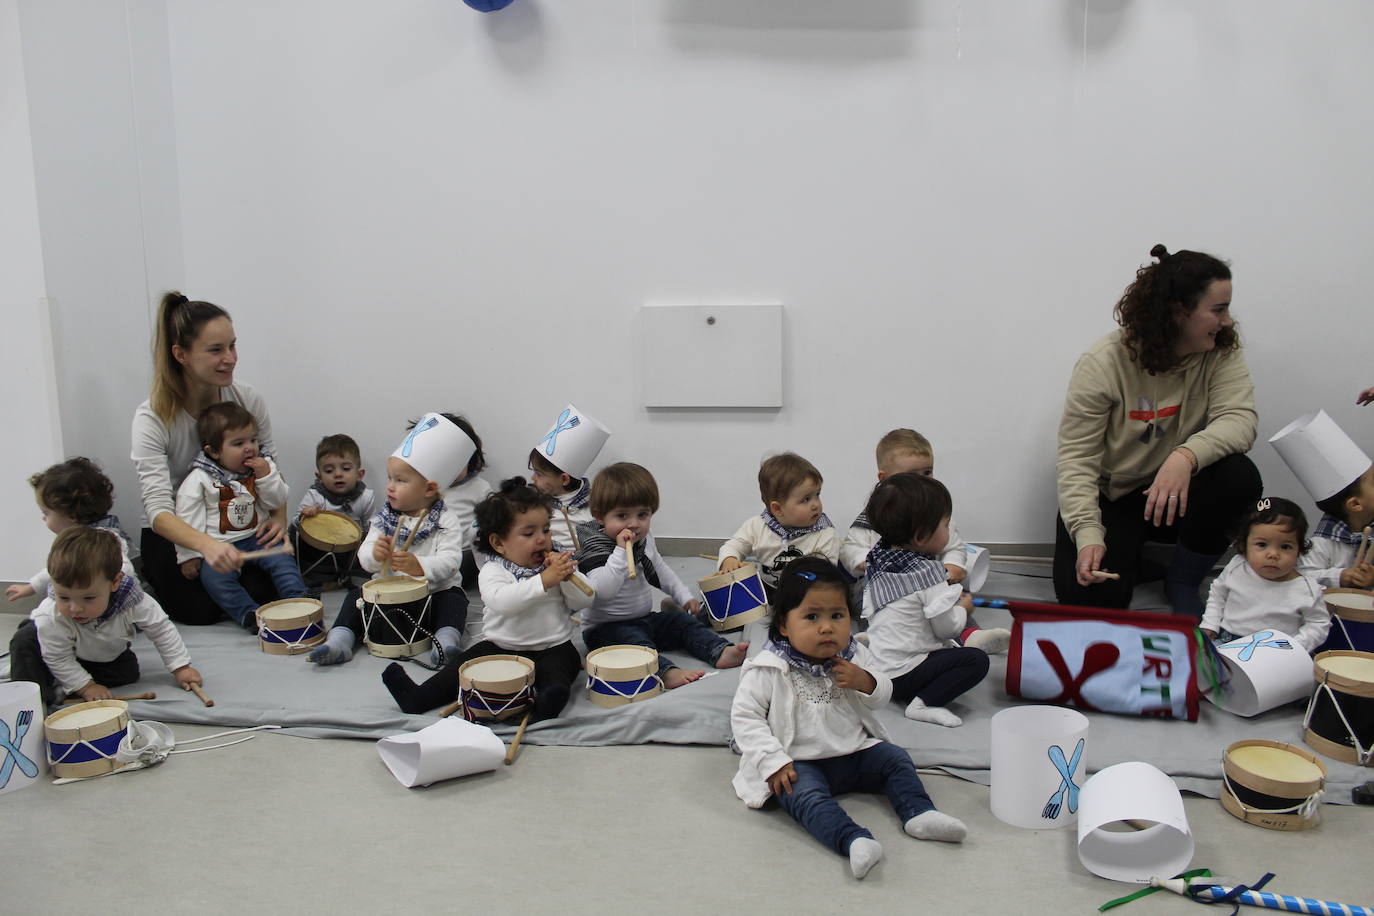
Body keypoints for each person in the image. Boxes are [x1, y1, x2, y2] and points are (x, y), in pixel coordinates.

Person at [730, 556, 967, 881]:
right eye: (811, 617)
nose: (827, 627)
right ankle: (853, 839)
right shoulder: (769, 667)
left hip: (855, 751)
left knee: (895, 759)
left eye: (837, 615)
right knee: (801, 797)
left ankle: (919, 813)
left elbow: (883, 694)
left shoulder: (855, 656)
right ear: (784, 624)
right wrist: (772, 761)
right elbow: (746, 717)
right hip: (798, 761)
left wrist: (866, 681)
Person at [1054, 244, 1261, 614]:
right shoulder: (1102, 363)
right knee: (1088, 598)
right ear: (1179, 312)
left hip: (1175, 495)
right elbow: (1076, 462)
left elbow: (1240, 420)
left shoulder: (1222, 350)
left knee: (1238, 477)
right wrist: (1088, 536)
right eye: (1218, 310)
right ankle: (1128, 559)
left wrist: (1185, 456)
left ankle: (1181, 578)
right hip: (1114, 498)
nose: (1227, 321)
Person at [131, 291, 285, 625]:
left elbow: (270, 463)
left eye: (232, 346)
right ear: (180, 354)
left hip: (239, 520)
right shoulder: (152, 418)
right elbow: (157, 510)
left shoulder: (247, 399)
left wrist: (280, 517)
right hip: (179, 532)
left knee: (268, 589)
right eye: (216, 350)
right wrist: (205, 547)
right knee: (198, 612)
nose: (230, 358)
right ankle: (154, 572)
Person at [382, 477, 590, 721]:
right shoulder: (493, 570)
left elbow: (585, 600)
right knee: (461, 666)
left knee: (561, 670)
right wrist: (544, 581)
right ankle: (418, 697)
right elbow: (503, 602)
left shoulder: (552, 568)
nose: (542, 539)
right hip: (501, 645)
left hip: (553, 645)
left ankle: (546, 705)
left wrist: (568, 578)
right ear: (498, 543)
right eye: (528, 533)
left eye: (545, 529)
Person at [309, 413, 475, 667]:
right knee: (356, 596)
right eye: (389, 478)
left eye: (400, 480)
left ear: (429, 489)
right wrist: (375, 555)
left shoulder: (445, 520)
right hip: (388, 598)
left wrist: (419, 566)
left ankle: (446, 640)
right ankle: (340, 640)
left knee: (454, 598)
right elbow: (364, 558)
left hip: (433, 593)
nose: (390, 486)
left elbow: (452, 561)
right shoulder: (384, 518)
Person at [575, 462, 748, 689]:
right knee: (636, 646)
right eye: (622, 515)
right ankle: (666, 673)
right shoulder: (595, 546)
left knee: (681, 622)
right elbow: (603, 591)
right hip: (605, 630)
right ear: (599, 516)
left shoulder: (643, 541)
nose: (634, 524)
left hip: (644, 618)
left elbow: (661, 571)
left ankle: (720, 651)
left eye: (642, 514)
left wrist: (684, 597)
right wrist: (619, 552)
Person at [839, 428, 1009, 654]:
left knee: (950, 598)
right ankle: (876, 638)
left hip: (928, 584)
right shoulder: (875, 515)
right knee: (867, 598)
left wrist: (954, 564)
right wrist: (863, 561)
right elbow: (850, 547)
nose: (921, 482)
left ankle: (971, 636)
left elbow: (954, 544)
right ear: (884, 478)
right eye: (911, 475)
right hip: (886, 584)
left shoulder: (936, 513)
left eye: (927, 473)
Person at [8, 527, 202, 709]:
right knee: (24, 643)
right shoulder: (51, 614)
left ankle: (67, 679)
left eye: (88, 598)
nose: (75, 608)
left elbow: (161, 630)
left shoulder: (134, 600)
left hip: (96, 650)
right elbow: (56, 655)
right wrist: (86, 687)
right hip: (48, 645)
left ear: (114, 583)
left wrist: (180, 667)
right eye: (64, 597)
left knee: (127, 674)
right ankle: (36, 699)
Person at [861, 474, 991, 726]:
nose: (948, 530)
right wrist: (963, 609)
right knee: (975, 660)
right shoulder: (928, 575)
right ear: (921, 536)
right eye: (945, 526)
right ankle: (923, 703)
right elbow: (947, 628)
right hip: (907, 674)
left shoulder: (878, 559)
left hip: (881, 671)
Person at [175, 402, 305, 631]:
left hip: (258, 536)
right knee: (215, 580)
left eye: (253, 440)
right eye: (238, 443)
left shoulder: (262, 468)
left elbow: (277, 500)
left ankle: (298, 600)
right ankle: (248, 614)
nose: (250, 448)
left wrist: (265, 476)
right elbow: (187, 517)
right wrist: (189, 555)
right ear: (213, 451)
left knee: (283, 560)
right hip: (220, 545)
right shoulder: (201, 478)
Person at [1200, 498, 1328, 652]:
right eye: (1262, 545)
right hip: (1226, 640)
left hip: (1275, 652)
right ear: (1243, 545)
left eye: (1285, 546)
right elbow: (1218, 593)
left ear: (1299, 550)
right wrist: (1210, 623)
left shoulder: (1307, 589)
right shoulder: (1238, 566)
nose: (1273, 554)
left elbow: (1319, 623)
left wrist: (1295, 647)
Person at [6, 457, 134, 603]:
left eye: (46, 513)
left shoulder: (102, 539)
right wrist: (32, 587)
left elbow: (125, 568)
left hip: (108, 607)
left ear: (72, 514)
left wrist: (109, 581)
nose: (43, 519)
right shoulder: (73, 540)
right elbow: (57, 569)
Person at [718, 452, 840, 593]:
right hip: (767, 587)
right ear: (777, 509)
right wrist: (730, 559)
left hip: (806, 592)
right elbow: (734, 545)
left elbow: (825, 573)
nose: (815, 505)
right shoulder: (757, 525)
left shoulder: (825, 533)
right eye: (806, 499)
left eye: (817, 495)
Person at [293, 433, 376, 589]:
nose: (338, 474)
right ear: (319, 477)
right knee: (298, 538)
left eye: (345, 468)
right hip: (319, 549)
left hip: (351, 549)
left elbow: (372, 526)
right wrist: (305, 514)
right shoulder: (315, 495)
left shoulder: (365, 497)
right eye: (329, 470)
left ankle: (347, 580)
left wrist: (368, 538)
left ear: (359, 474)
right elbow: (296, 522)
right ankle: (320, 581)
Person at [528, 404, 611, 553]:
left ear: (564, 479)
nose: (533, 478)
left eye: (539, 474)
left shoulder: (596, 506)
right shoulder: (534, 505)